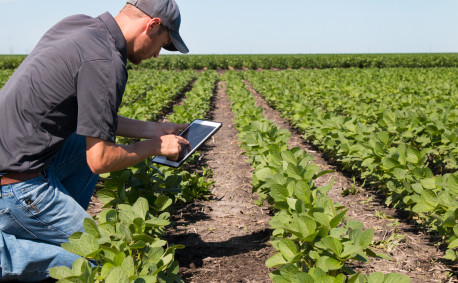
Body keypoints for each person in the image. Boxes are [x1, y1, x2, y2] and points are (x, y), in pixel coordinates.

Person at [0, 0, 190, 281]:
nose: (157, 54)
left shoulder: (78, 25)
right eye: (162, 44)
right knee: (111, 260)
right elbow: (100, 160)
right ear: (152, 25)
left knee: (82, 140)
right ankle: (12, 253)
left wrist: (155, 130)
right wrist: (156, 147)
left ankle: (52, 233)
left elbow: (93, 121)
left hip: (14, 165)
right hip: (17, 188)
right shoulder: (107, 61)